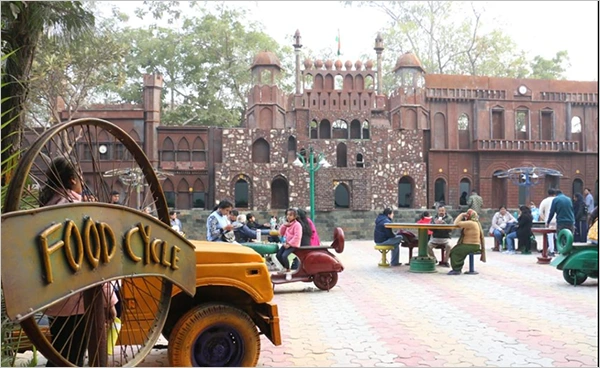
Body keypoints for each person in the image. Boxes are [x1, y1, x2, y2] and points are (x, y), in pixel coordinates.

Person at [40, 157, 118, 367]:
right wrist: (110, 300)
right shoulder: (79, 209)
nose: (82, 183)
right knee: (73, 359)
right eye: (80, 178)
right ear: (72, 179)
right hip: (79, 300)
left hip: (54, 298)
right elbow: (93, 260)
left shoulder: (46, 207)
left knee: (60, 355)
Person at [448, 209, 486, 275]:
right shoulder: (475, 222)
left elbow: (456, 223)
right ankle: (457, 268)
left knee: (455, 251)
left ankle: (457, 269)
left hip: (471, 245)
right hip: (473, 245)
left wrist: (461, 215)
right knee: (456, 249)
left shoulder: (471, 223)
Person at [276, 208, 303, 279]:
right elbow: (281, 233)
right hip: (286, 243)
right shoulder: (288, 224)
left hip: (293, 244)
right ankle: (285, 267)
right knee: (278, 255)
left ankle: (288, 270)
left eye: (290, 215)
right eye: (287, 215)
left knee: (284, 256)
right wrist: (284, 225)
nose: (288, 216)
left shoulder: (297, 225)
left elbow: (297, 236)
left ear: (295, 216)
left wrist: (289, 244)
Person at [538, 188, 557, 255]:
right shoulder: (557, 200)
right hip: (558, 220)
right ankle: (560, 249)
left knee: (550, 236)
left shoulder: (544, 201)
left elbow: (540, 212)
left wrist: (545, 218)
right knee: (558, 235)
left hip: (549, 221)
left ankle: (551, 250)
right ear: (555, 194)